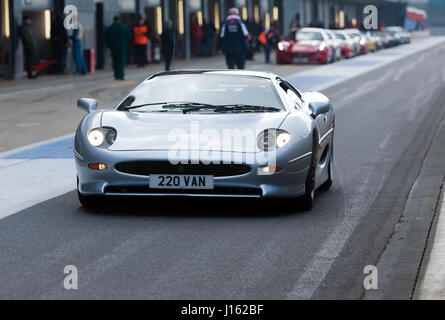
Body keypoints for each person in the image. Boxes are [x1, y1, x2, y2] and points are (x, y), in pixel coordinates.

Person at [105, 16, 132, 80]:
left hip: (113, 47)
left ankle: (116, 74)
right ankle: (121, 74)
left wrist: (110, 45)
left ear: (113, 20)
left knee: (115, 61)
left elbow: (106, 39)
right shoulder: (124, 27)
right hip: (122, 47)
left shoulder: (110, 28)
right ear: (119, 20)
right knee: (121, 61)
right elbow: (130, 36)